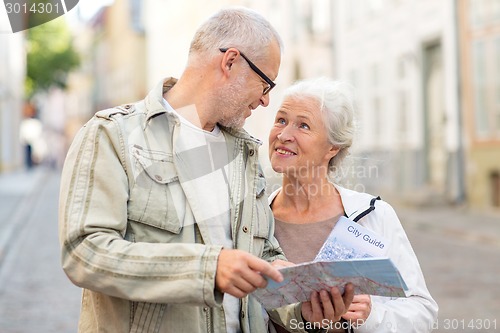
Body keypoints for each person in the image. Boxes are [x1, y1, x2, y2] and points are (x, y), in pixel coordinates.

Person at [59, 8, 348, 333]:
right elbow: (84, 252)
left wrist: (304, 309)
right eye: (265, 83)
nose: (266, 101)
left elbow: (263, 257)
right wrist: (207, 270)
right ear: (230, 62)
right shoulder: (112, 135)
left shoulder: (245, 153)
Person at [266, 77, 438, 333]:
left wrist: (370, 317)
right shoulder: (255, 219)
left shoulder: (373, 215)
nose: (284, 134)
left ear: (332, 148)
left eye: (303, 125)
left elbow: (423, 312)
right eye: (281, 120)